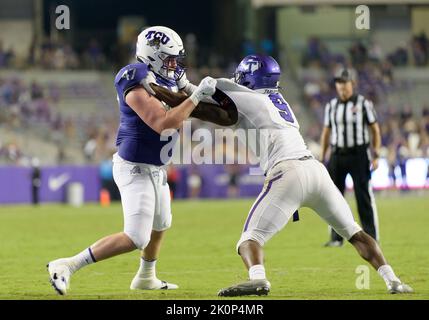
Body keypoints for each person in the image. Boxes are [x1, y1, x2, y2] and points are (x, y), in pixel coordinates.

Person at [151, 55, 413, 296]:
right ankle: (393, 281)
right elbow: (210, 109)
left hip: (287, 173)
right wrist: (187, 87)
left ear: (248, 78)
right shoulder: (277, 100)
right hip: (315, 172)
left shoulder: (244, 97)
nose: (237, 80)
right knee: (356, 233)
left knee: (249, 240)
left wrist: (152, 86)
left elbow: (194, 104)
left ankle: (258, 278)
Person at [47, 26, 217, 295]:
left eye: (176, 59)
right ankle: (66, 265)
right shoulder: (134, 79)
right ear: (152, 55)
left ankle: (146, 277)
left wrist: (218, 96)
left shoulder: (168, 77)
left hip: (157, 167)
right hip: (134, 168)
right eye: (169, 58)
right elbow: (162, 123)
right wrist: (196, 97)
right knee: (137, 237)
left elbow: (197, 98)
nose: (174, 65)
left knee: (162, 224)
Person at [320, 68, 382, 247]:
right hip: (337, 155)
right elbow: (326, 131)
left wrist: (376, 154)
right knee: (333, 198)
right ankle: (336, 238)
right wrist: (323, 156)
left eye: (344, 82)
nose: (341, 86)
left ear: (352, 84)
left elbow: (375, 130)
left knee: (363, 197)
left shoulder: (363, 103)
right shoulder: (331, 106)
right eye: (338, 83)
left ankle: (371, 237)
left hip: (359, 155)